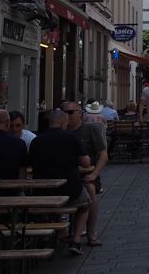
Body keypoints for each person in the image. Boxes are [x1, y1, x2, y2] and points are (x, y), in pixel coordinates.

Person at [29, 109, 91, 257]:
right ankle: (76, 239)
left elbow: (30, 164)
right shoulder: (71, 137)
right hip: (70, 190)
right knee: (85, 204)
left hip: (43, 191)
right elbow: (86, 162)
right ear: (64, 122)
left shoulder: (37, 140)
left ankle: (53, 234)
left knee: (49, 207)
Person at [62, 101, 108, 247]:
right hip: (65, 177)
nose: (67, 116)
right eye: (64, 112)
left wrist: (94, 174)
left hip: (86, 176)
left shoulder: (90, 129)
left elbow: (103, 155)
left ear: (80, 114)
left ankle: (90, 232)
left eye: (71, 112)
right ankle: (61, 231)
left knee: (90, 188)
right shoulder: (61, 132)